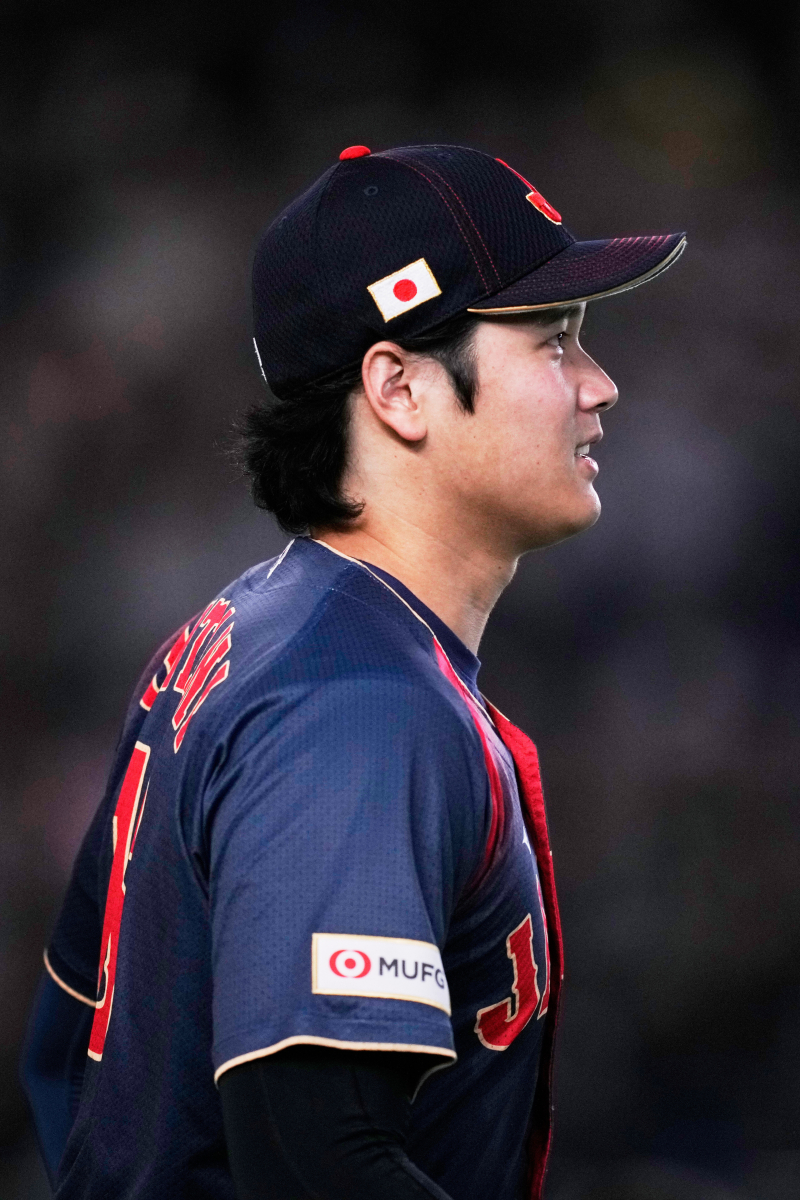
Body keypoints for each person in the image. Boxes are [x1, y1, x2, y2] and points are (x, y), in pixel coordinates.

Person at [21, 143, 685, 1200]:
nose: (599, 386)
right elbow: (315, 1161)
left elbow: (63, 1067)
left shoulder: (251, 629)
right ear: (399, 388)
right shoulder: (355, 702)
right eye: (553, 341)